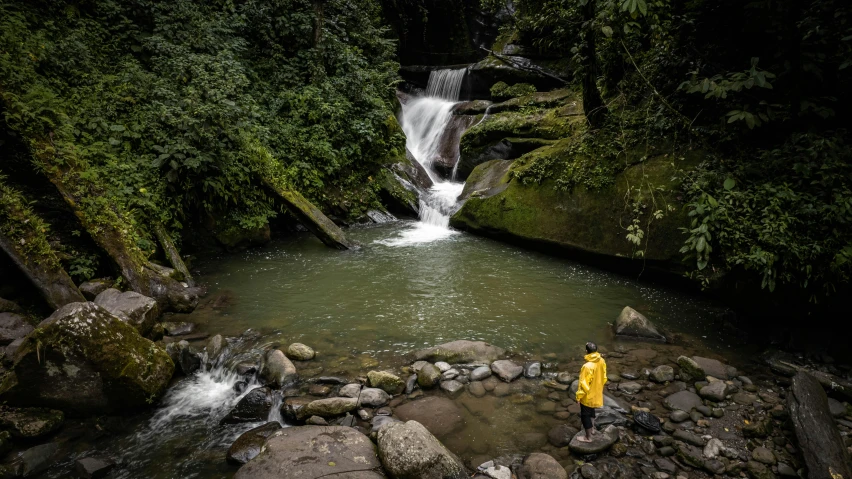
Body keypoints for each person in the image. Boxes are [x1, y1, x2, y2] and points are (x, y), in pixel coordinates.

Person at [575, 341, 607, 443]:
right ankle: (592, 429)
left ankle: (588, 437)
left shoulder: (587, 366)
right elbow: (604, 376)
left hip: (588, 394)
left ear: (586, 351)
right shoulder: (601, 360)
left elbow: (583, 383)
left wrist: (579, 396)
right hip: (597, 391)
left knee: (585, 415)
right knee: (592, 410)